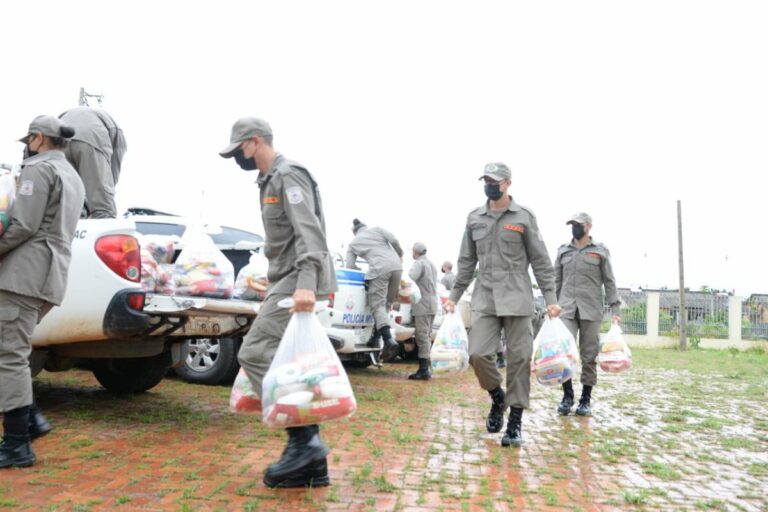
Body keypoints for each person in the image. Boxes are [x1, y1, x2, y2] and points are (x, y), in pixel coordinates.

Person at [219, 117, 337, 488]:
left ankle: (304, 442)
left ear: (255, 142)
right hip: (284, 279)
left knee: (254, 353)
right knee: (291, 361)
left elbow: (309, 232)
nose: (238, 156)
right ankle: (312, 465)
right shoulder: (268, 180)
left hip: (298, 279)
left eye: (240, 149)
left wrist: (304, 284)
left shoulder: (288, 175)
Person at [444, 162, 561, 448]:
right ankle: (497, 397)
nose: (490, 185)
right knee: (478, 354)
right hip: (485, 297)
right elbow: (466, 262)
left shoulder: (523, 217)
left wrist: (551, 299)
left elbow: (541, 261)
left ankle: (515, 423)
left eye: (495, 180)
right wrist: (454, 297)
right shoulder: (474, 218)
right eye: (486, 180)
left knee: (519, 360)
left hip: (518, 297)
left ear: (508, 183)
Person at [0, 116, 85, 469]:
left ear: (38, 139)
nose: (27, 146)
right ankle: (31, 418)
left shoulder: (36, 169)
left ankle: (18, 444)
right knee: (11, 351)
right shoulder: (73, 174)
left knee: (9, 356)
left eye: (29, 140)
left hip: (23, 274)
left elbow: (22, 225)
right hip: (49, 276)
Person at [554, 212, 621, 417]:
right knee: (564, 351)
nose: (575, 227)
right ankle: (567, 395)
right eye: (572, 224)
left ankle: (585, 398)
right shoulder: (563, 251)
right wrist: (553, 305)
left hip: (591, 309)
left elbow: (609, 281)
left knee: (589, 355)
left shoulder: (599, 252)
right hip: (566, 308)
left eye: (579, 224)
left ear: (589, 226)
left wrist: (615, 309)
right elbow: (556, 280)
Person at [345, 219, 403, 362]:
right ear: (365, 227)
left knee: (377, 305)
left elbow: (350, 266)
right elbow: (394, 240)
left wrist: (359, 269)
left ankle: (389, 340)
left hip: (379, 269)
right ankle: (375, 339)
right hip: (397, 267)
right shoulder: (377, 229)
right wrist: (400, 255)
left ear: (354, 232)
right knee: (386, 305)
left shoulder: (353, 244)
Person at [59, 107, 126, 219]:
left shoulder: (68, 113)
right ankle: (102, 230)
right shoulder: (118, 134)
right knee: (102, 208)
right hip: (91, 136)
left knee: (70, 200)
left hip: (60, 137)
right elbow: (111, 174)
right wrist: (104, 190)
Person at [407, 242, 438, 380]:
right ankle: (426, 368)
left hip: (423, 304)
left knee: (422, 336)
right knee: (427, 335)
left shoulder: (419, 263)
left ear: (415, 252)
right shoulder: (432, 264)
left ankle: (424, 370)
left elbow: (409, 279)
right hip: (432, 303)